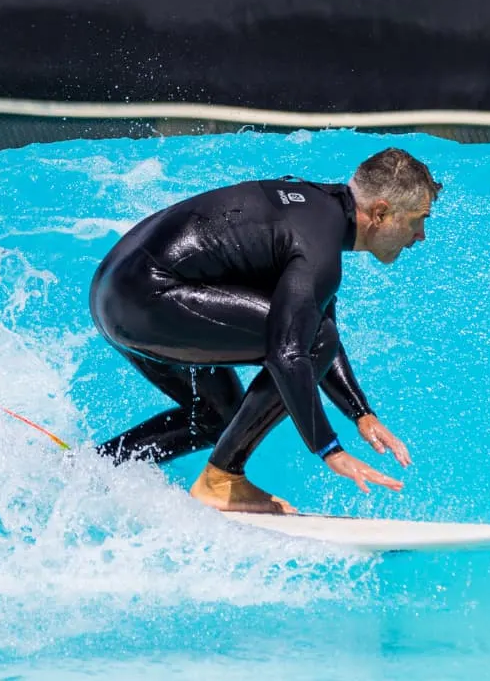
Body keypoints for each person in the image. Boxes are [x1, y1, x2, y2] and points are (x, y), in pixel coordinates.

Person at [88, 147, 439, 513]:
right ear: (380, 213)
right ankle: (222, 479)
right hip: (148, 298)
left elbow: (312, 319)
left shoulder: (316, 212)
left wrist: (360, 411)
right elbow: (291, 351)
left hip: (114, 293)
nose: (420, 236)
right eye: (418, 220)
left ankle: (97, 468)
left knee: (215, 417)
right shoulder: (317, 247)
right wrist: (329, 449)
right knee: (308, 342)